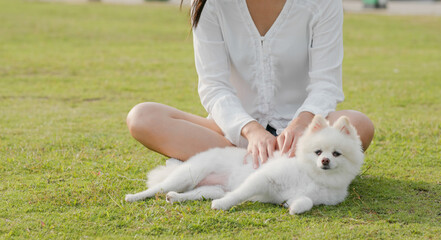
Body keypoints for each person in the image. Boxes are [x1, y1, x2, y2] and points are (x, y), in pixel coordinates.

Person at [126, 0, 375, 168]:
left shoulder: (323, 3)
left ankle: (239, 166)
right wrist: (252, 130)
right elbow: (214, 87)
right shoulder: (210, 4)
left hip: (303, 137)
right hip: (232, 133)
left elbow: (326, 84)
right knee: (142, 117)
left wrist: (301, 124)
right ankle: (267, 165)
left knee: (359, 124)